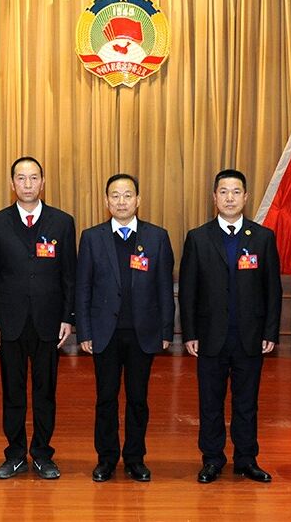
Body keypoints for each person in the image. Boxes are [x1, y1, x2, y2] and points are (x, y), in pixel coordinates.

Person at [178, 169, 282, 484]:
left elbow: (272, 290)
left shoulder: (262, 237)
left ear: (246, 197)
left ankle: (246, 459)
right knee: (210, 403)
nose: (230, 198)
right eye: (223, 192)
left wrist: (270, 331)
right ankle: (212, 459)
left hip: (250, 337)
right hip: (210, 337)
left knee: (246, 403)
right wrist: (190, 333)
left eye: (236, 192)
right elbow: (188, 290)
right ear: (214, 197)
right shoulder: (198, 237)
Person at [75, 174, 175, 483]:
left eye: (128, 195)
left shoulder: (157, 237)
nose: (121, 202)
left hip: (142, 333)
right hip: (104, 333)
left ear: (138, 200)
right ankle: (106, 459)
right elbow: (83, 288)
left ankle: (135, 458)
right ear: (106, 201)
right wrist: (85, 332)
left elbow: (164, 288)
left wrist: (166, 331)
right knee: (106, 398)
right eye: (115, 196)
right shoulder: (91, 237)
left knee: (138, 399)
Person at [0, 156, 76, 479]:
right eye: (21, 178)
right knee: (13, 391)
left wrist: (68, 317)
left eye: (33, 177)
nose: (27, 184)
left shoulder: (62, 222)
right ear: (12, 184)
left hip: (49, 322)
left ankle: (43, 454)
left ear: (43, 182)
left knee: (45, 392)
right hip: (10, 322)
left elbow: (69, 276)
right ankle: (15, 454)